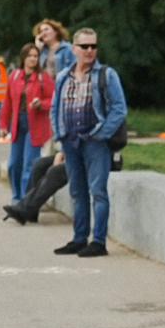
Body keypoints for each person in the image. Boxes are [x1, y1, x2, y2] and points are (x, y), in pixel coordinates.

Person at [50, 28, 125, 258]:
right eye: (85, 46)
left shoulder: (106, 74)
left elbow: (119, 108)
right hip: (71, 142)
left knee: (97, 192)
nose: (90, 50)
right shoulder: (64, 76)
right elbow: (55, 108)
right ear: (74, 49)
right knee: (77, 191)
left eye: (93, 46)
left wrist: (101, 134)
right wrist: (59, 136)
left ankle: (98, 242)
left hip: (95, 143)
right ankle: (79, 238)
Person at [0, 43, 54, 210]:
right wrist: (2, 123)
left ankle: (25, 201)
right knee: (14, 164)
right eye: (29, 56)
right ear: (23, 58)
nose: (32, 59)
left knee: (30, 164)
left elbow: (53, 100)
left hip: (36, 125)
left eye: (35, 56)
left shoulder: (43, 78)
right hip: (18, 124)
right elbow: (7, 102)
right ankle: (16, 197)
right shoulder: (15, 76)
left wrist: (41, 104)